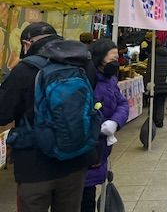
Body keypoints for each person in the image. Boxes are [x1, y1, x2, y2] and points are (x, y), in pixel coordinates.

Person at [0, 22, 97, 212]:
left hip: (35, 166)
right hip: (75, 159)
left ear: (28, 43)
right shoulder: (84, 63)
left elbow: (2, 114)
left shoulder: (24, 69)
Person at [82, 39, 129, 212]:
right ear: (99, 58)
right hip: (87, 147)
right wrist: (98, 125)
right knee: (84, 196)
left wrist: (115, 121)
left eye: (118, 57)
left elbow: (123, 103)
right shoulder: (86, 81)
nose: (116, 61)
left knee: (90, 193)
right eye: (113, 58)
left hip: (101, 148)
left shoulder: (110, 79)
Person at [144, 45, 167, 128]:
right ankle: (159, 121)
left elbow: (149, 70)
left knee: (153, 101)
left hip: (155, 83)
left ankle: (153, 119)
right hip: (165, 82)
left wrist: (147, 82)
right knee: (161, 102)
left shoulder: (153, 56)